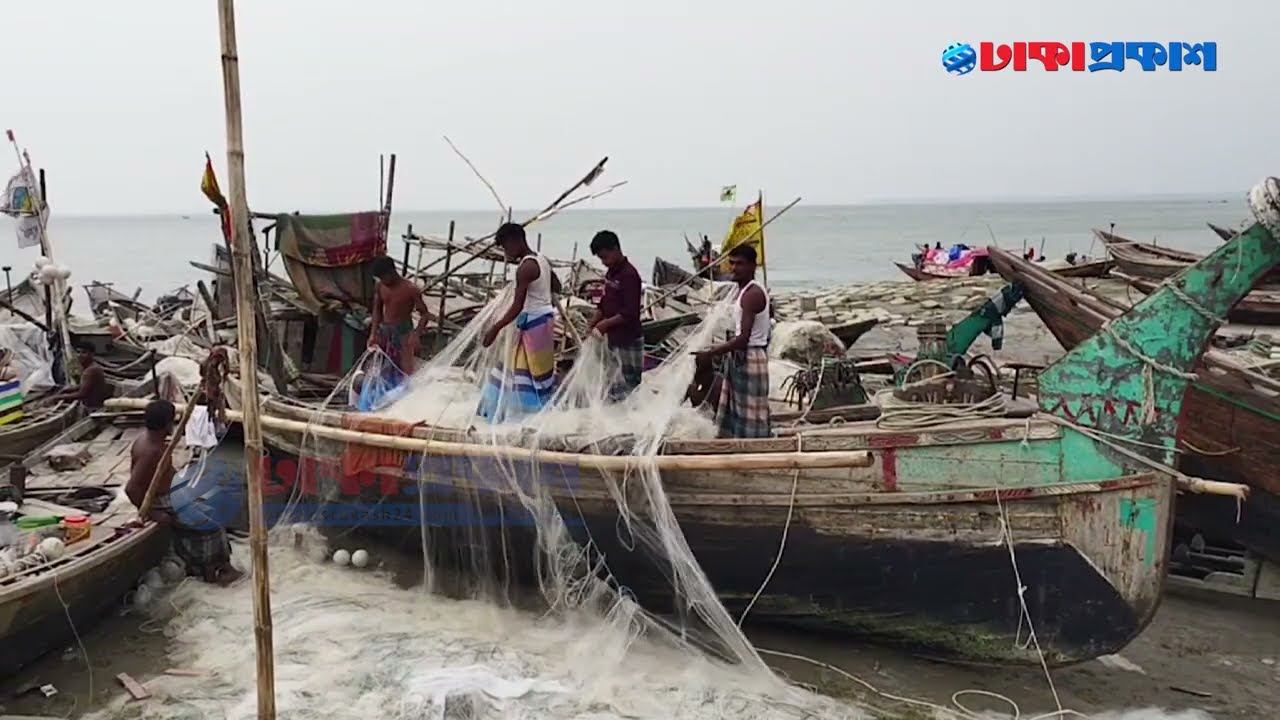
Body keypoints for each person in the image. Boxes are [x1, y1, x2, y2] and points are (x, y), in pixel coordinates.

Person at [126, 399, 242, 586]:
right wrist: (153, 513)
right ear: (166, 424)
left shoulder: (149, 441)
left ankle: (213, 565)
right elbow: (131, 488)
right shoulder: (153, 450)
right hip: (160, 500)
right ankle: (212, 570)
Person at [477, 222, 561, 422]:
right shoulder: (541, 260)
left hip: (533, 326)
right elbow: (556, 285)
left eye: (505, 247)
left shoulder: (526, 268)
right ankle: (525, 414)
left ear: (515, 241)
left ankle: (519, 416)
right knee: (534, 373)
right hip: (543, 322)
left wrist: (495, 328)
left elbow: (516, 306)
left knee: (524, 373)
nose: (506, 254)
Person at [695, 245, 771, 438]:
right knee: (737, 408)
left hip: (751, 357)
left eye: (740, 264)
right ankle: (738, 445)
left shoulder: (752, 294)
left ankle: (755, 450)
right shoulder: (743, 291)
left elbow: (744, 338)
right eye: (732, 263)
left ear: (753, 266)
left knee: (752, 412)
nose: (734, 268)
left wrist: (711, 353)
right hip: (742, 356)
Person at [588, 230, 644, 401]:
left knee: (629, 384)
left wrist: (604, 325)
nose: (604, 262)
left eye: (605, 257)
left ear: (615, 249)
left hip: (629, 339)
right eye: (601, 259)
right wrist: (595, 320)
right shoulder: (611, 273)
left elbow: (630, 313)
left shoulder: (629, 275)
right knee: (613, 382)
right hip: (613, 339)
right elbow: (605, 301)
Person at [367, 255, 433, 376]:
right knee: (383, 369)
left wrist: (416, 334)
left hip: (404, 332)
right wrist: (373, 333)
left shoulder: (410, 289)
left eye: (383, 277)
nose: (382, 280)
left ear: (391, 271)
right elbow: (377, 310)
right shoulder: (380, 286)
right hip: (385, 331)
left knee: (405, 371)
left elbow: (425, 315)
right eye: (380, 278)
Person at [51, 342, 110, 410]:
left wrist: (58, 397)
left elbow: (81, 394)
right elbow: (85, 386)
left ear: (92, 354)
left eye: (84, 352)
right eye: (78, 352)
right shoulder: (88, 368)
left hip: (93, 408)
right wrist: (67, 390)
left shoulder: (91, 370)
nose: (80, 355)